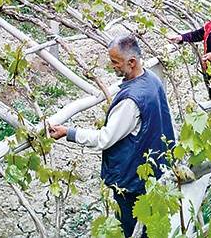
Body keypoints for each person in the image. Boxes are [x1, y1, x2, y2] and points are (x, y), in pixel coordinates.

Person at [49, 35, 174, 237]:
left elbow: (105, 138)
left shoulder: (131, 101)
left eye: (115, 62)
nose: (112, 66)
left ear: (131, 62)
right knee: (149, 223)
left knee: (132, 226)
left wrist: (69, 132)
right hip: (154, 170)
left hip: (132, 178)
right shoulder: (152, 79)